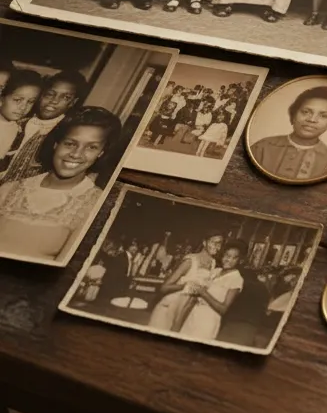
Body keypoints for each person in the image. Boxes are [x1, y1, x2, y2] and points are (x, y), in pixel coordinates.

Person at [0, 107, 122, 261]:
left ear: (101, 153)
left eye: (91, 147)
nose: (76, 154)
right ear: (56, 144)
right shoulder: (9, 189)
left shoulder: (95, 204)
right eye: (70, 144)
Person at [249, 84, 327, 182]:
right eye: (305, 112)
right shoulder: (262, 147)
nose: (312, 119)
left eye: (324, 116)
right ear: (293, 114)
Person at [148, 232, 225, 332]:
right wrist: (185, 286)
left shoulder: (213, 263)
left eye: (220, 243)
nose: (217, 246)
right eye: (213, 242)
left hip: (186, 311)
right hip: (169, 307)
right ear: (204, 242)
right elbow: (164, 288)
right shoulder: (190, 261)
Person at [178, 239, 247, 341]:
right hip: (193, 314)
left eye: (234, 258)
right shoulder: (215, 271)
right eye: (227, 255)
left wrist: (203, 293)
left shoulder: (236, 279)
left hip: (208, 321)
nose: (228, 260)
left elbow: (223, 309)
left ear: (240, 261)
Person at [0, 70, 44, 174]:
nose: (23, 107)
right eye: (17, 100)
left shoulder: (21, 129)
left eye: (30, 102)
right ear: (1, 98)